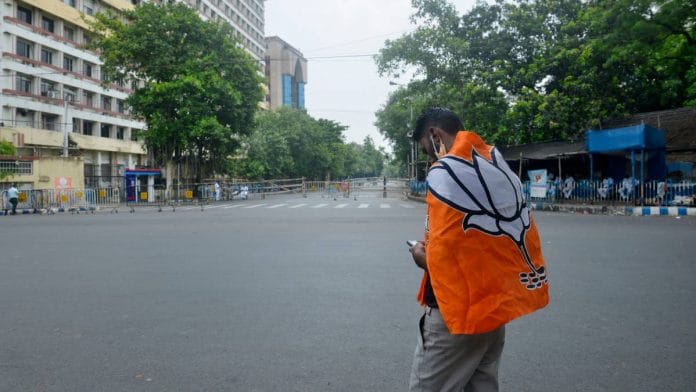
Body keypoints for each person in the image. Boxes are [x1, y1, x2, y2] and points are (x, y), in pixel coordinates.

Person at [407, 108, 550, 392]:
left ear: (435, 135)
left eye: (427, 149)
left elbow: (446, 253)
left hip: (459, 314)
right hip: (494, 310)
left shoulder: (447, 171)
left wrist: (423, 257)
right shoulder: (494, 163)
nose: (430, 159)